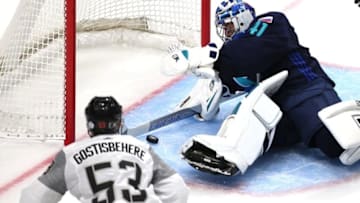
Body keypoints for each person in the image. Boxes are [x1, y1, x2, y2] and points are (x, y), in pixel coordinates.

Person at [164, 0, 360, 176]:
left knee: (336, 143)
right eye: (224, 28)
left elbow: (247, 55)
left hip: (306, 92)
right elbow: (229, 82)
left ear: (242, 18)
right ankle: (230, 153)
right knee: (250, 121)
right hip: (280, 109)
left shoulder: (271, 22)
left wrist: (208, 56)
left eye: (229, 25)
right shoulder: (236, 56)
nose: (227, 32)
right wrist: (206, 89)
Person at [20, 96, 189, 203]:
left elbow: (33, 197)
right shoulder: (141, 147)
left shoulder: (71, 153)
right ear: (118, 123)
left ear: (90, 124)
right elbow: (176, 188)